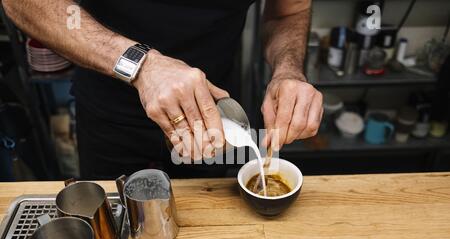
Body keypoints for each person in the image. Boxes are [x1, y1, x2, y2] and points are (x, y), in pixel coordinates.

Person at [2, 0, 323, 179]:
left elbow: (288, 11)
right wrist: (140, 65)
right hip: (110, 110)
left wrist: (288, 68)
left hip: (214, 115)